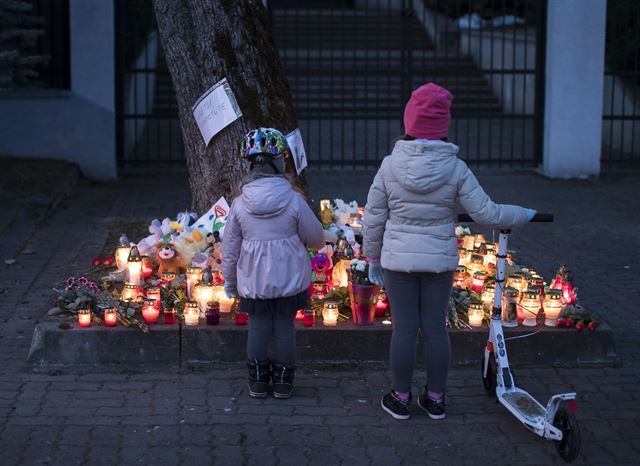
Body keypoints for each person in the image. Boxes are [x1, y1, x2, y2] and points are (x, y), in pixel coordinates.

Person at [363, 83, 536, 420]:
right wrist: (523, 213)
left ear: (409, 122)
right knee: (435, 329)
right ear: (444, 126)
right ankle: (436, 399)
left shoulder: (389, 165)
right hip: (438, 261)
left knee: (403, 329)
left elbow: (374, 216)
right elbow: (487, 213)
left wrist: (372, 257)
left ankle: (400, 398)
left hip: (398, 261)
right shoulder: (456, 168)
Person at [222, 127, 325, 399]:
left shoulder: (240, 204)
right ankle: (282, 381)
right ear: (279, 162)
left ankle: (257, 381)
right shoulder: (294, 200)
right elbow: (316, 239)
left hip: (254, 280)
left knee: (257, 327)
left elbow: (230, 247)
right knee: (284, 328)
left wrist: (230, 280)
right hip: (289, 279)